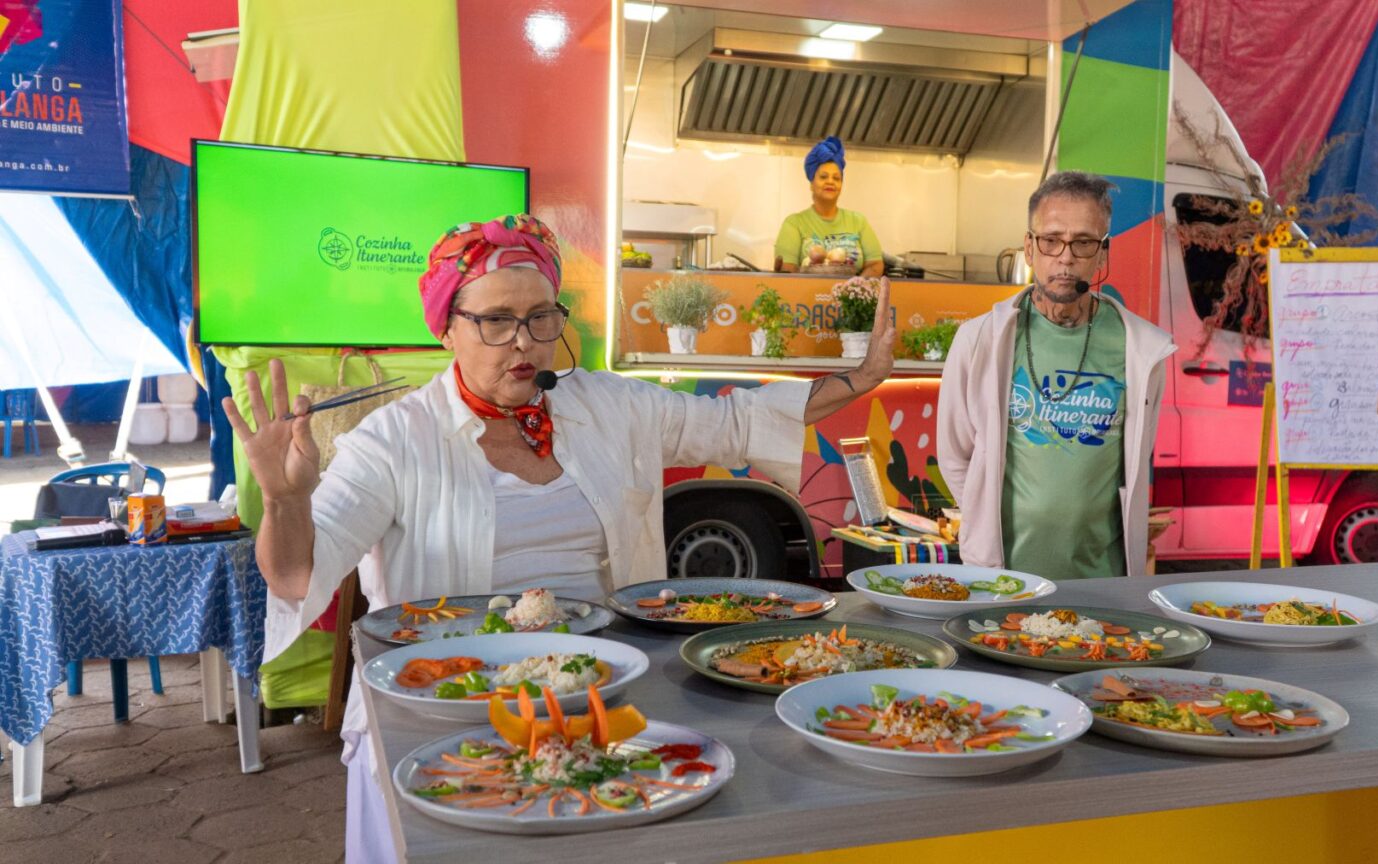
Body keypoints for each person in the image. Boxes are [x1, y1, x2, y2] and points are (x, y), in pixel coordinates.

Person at [222, 214, 895, 862]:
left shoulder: (608, 406)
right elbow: (295, 578)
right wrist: (285, 501)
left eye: (540, 317)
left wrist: (856, 380)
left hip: (604, 698)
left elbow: (736, 425)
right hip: (452, 715)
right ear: (446, 331)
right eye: (495, 320)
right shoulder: (394, 441)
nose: (523, 341)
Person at [937, 171, 1174, 580]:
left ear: (1103, 254)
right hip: (1003, 580)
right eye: (1051, 240)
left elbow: (1134, 463)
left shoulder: (1141, 350)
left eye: (1083, 242)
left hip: (1104, 580)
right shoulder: (980, 340)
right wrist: (984, 522)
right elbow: (955, 456)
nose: (1065, 257)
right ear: (1029, 248)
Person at [773, 135, 884, 277]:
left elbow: (875, 264)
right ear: (812, 183)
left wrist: (853, 290)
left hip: (850, 298)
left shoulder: (858, 221)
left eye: (836, 178)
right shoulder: (794, 224)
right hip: (806, 297)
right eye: (823, 177)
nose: (830, 182)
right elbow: (787, 272)